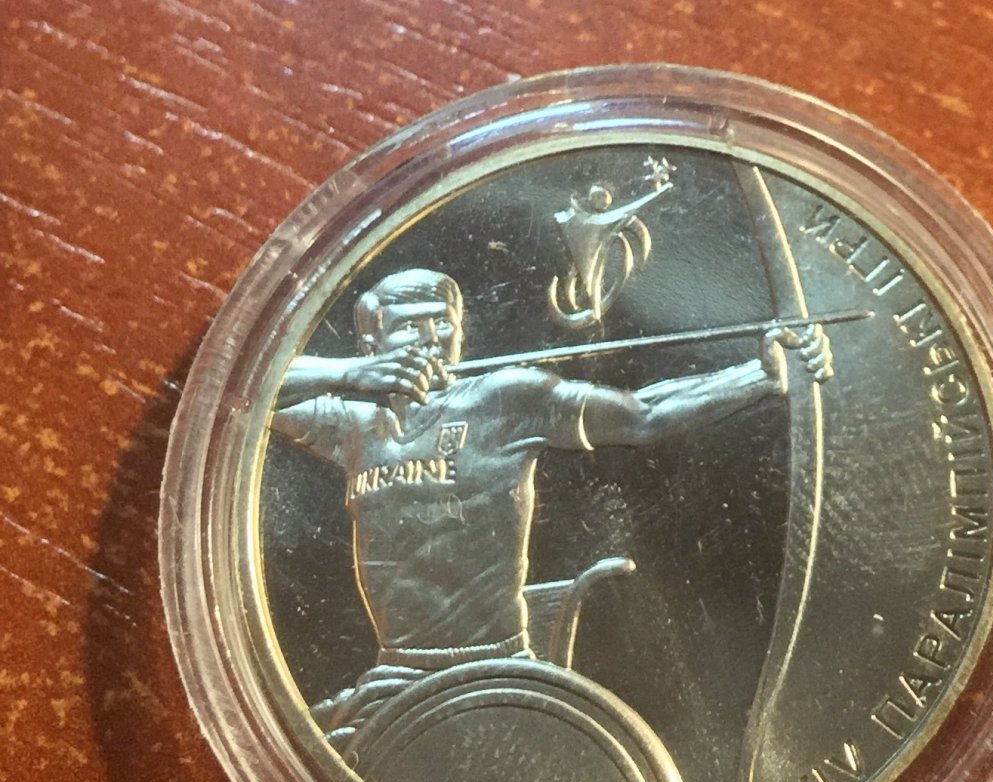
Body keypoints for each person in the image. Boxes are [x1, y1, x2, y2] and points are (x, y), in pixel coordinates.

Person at [272, 268, 831, 748]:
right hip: (395, 677)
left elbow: (642, 414)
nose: (430, 339)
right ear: (371, 345)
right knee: (288, 753)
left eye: (442, 322)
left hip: (497, 674)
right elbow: (253, 388)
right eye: (408, 326)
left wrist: (760, 376)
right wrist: (347, 375)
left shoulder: (503, 398)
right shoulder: (352, 427)